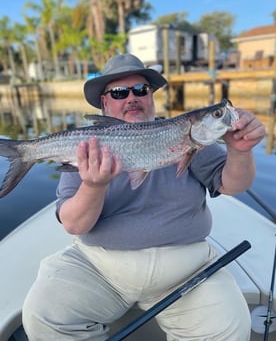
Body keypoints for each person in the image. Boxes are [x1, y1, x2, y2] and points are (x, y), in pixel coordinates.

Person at [22, 53, 265, 341]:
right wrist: (93, 185)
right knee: (43, 316)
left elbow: (233, 185)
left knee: (230, 325)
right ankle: (22, 153)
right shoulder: (89, 145)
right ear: (104, 103)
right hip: (101, 270)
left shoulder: (187, 136)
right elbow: (74, 225)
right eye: (120, 92)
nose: (132, 98)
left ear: (151, 96)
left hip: (186, 272)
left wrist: (240, 150)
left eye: (140, 90)